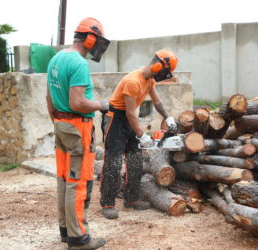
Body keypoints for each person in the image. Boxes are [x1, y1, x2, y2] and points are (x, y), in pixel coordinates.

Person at [46, 17, 110, 250]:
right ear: (91, 39)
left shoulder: (56, 58)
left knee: (64, 179)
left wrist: (57, 121)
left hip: (61, 125)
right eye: (98, 41)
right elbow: (78, 102)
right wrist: (101, 104)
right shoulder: (79, 64)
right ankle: (79, 238)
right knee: (79, 181)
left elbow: (49, 98)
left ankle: (66, 230)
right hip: (77, 127)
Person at [100, 50, 178, 220]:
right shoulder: (133, 81)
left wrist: (168, 117)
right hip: (116, 119)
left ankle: (132, 198)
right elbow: (129, 112)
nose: (164, 75)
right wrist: (142, 135)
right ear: (158, 66)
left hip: (129, 118)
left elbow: (157, 102)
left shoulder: (149, 80)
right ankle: (107, 203)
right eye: (164, 71)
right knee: (113, 161)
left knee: (135, 160)